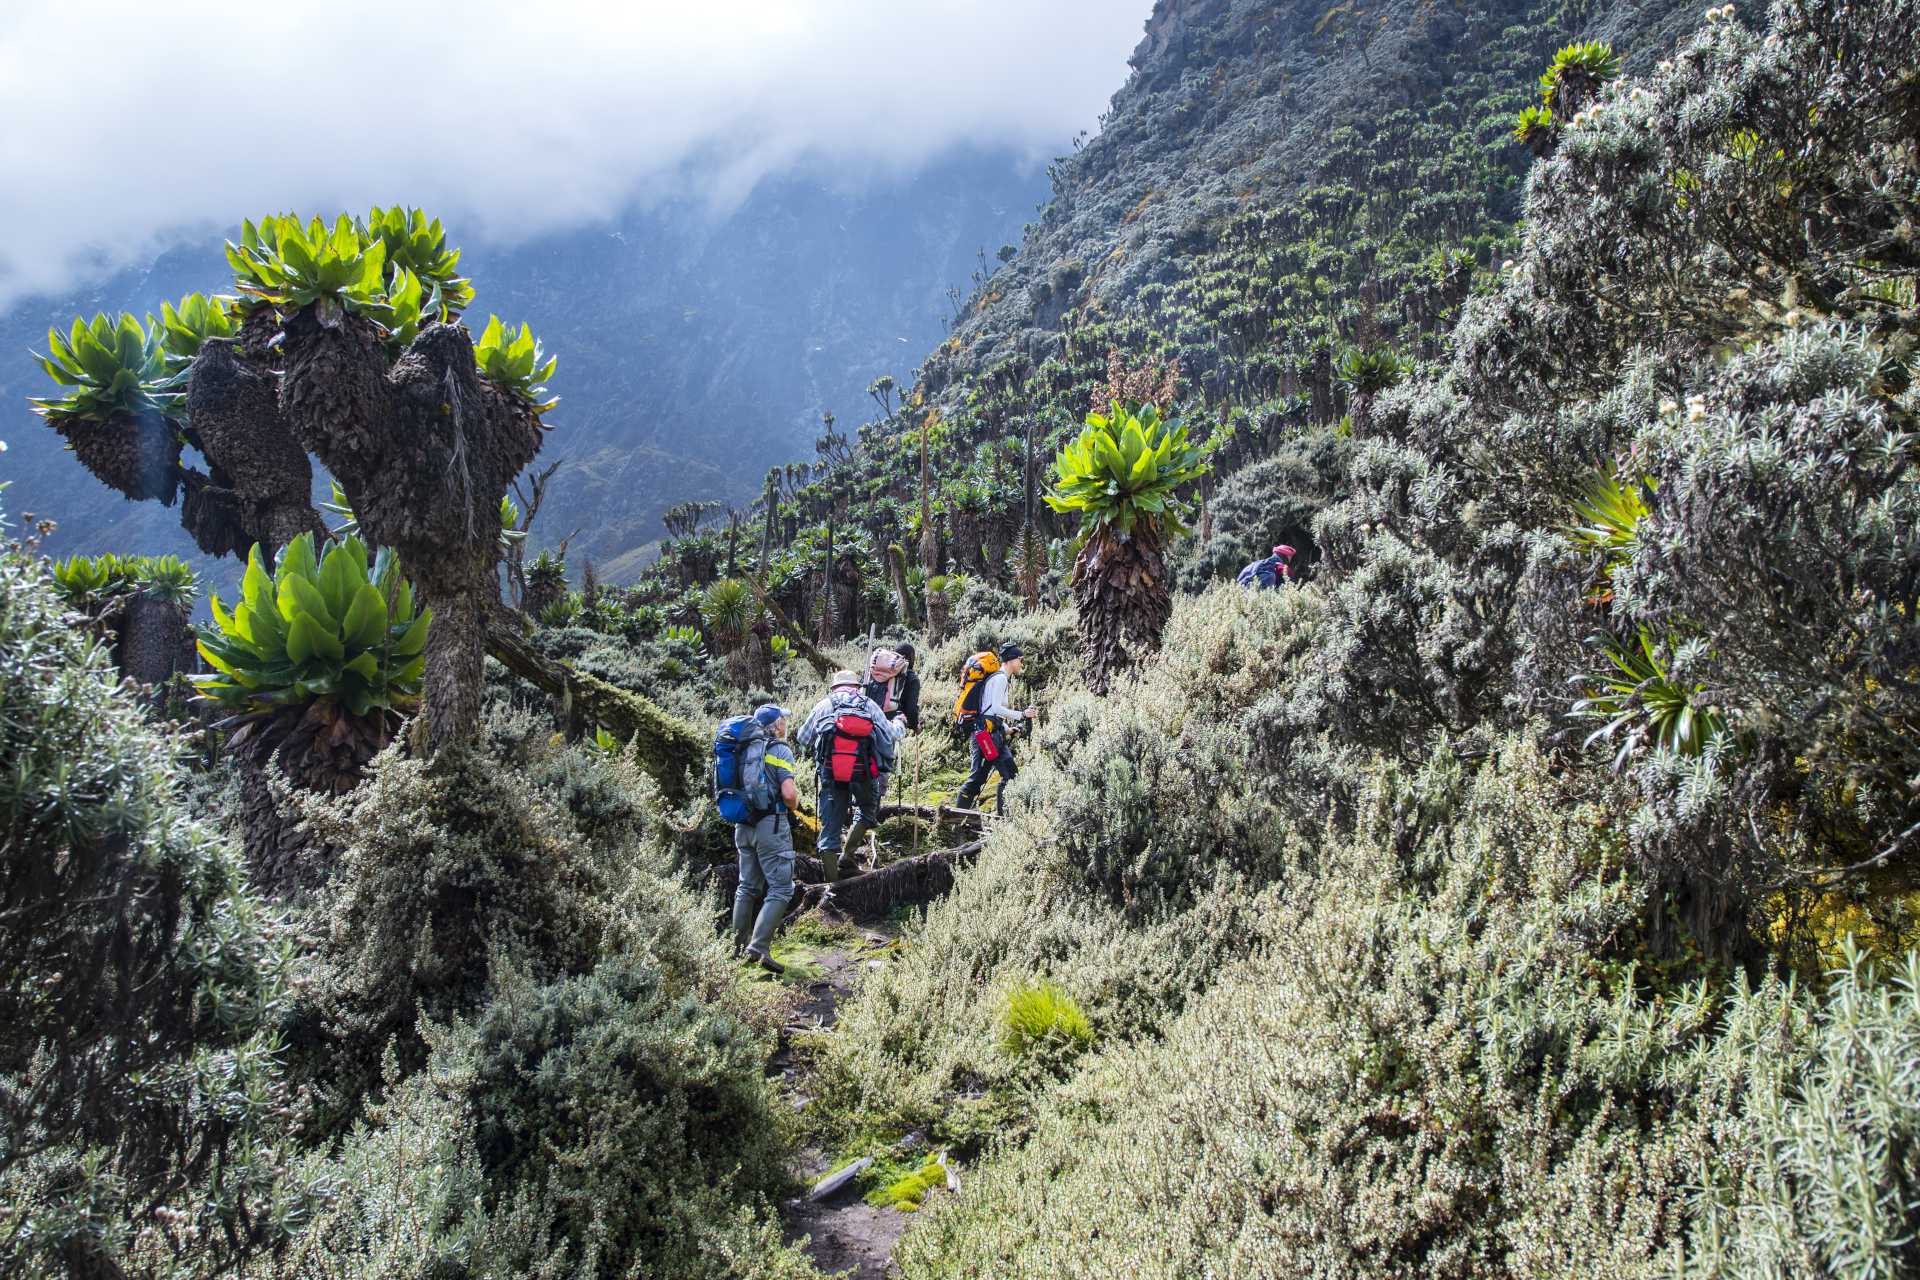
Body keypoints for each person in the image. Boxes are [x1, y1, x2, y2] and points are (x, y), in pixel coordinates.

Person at [795, 670, 896, 881]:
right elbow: (889, 734)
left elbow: (803, 738)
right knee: (868, 810)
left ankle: (833, 887)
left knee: (830, 831)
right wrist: (901, 724)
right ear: (857, 687)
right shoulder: (868, 704)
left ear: (834, 688)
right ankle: (847, 856)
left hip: (831, 775)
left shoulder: (824, 705)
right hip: (863, 773)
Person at [731, 703, 801, 974]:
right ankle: (758, 947)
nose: (785, 723)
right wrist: (793, 806)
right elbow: (789, 794)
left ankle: (736, 947)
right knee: (782, 888)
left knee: (746, 886)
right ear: (775, 725)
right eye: (783, 719)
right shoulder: (779, 750)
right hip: (770, 826)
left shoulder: (741, 750)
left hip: (743, 825)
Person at [954, 644, 1036, 813]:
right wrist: (1022, 714)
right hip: (985, 737)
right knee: (978, 778)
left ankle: (1003, 818)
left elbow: (990, 710)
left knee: (1011, 775)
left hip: (993, 736)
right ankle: (956, 818)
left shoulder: (998, 678)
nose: (1022, 663)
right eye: (1020, 660)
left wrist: (1006, 728)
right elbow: (996, 708)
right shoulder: (1000, 679)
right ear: (1011, 660)